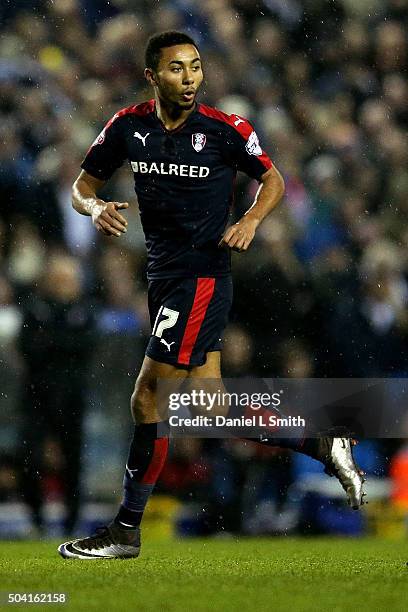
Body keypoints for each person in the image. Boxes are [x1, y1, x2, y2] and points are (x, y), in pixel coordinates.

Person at [58, 31, 365, 559]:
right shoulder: (127, 128)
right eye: (177, 69)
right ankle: (321, 441)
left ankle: (125, 530)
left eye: (196, 67)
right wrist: (93, 208)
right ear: (152, 76)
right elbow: (81, 186)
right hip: (163, 278)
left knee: (148, 397)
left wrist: (249, 220)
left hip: (201, 278)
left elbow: (272, 180)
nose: (190, 78)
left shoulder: (225, 130)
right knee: (209, 408)